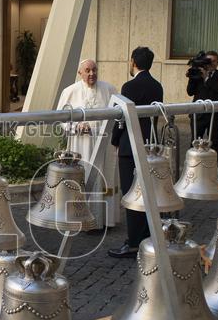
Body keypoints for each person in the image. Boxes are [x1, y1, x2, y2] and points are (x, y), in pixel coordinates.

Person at [109, 47, 163, 258]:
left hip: (129, 147)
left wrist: (115, 140)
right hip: (149, 144)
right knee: (147, 193)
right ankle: (147, 236)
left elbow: (121, 117)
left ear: (133, 62)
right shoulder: (157, 86)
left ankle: (133, 243)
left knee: (131, 195)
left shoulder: (129, 86)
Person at [57, 59, 119, 227]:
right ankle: (82, 220)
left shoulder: (109, 89)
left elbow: (118, 114)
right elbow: (61, 117)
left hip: (104, 144)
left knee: (103, 178)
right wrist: (76, 126)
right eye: (88, 70)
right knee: (83, 178)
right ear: (80, 73)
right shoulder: (70, 91)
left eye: (94, 70)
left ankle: (104, 220)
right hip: (81, 145)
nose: (92, 74)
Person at [186, 50, 218, 156]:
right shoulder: (198, 74)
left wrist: (206, 78)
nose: (211, 63)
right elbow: (190, 92)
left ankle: (215, 167)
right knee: (195, 142)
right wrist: (192, 77)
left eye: (213, 61)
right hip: (198, 114)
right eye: (208, 61)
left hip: (215, 114)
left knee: (214, 142)